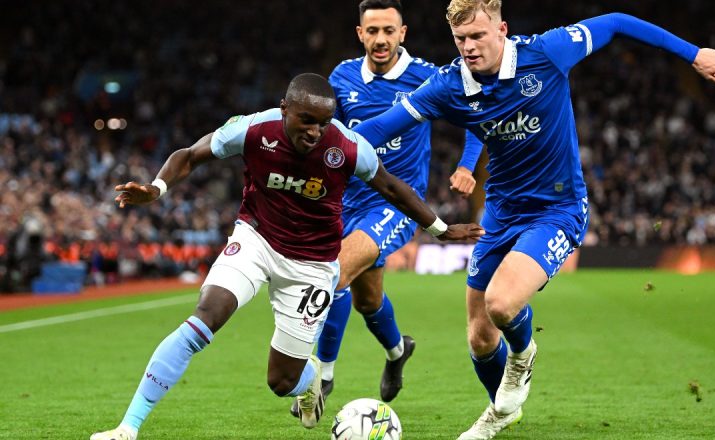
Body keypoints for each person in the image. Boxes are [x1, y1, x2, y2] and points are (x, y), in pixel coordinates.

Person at [351, 1, 715, 438]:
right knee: (479, 336)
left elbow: (616, 22)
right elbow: (378, 129)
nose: (469, 47)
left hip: (557, 208)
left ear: (502, 30)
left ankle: (523, 354)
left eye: (478, 36)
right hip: (500, 212)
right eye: (460, 39)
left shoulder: (548, 52)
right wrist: (322, 146)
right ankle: (502, 411)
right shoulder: (448, 85)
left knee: (501, 304)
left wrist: (694, 54)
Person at [90, 73, 484, 440]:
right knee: (205, 316)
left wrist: (441, 230)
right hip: (256, 240)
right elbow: (190, 155)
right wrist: (156, 188)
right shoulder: (253, 129)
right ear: (284, 109)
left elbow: (392, 188)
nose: (315, 132)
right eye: (306, 121)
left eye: (323, 123)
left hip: (313, 266)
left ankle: (308, 380)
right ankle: (128, 427)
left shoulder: (348, 147)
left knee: (281, 382)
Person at [290, 0, 485, 418]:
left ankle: (322, 377)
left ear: (403, 33)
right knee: (367, 300)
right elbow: (329, 137)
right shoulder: (342, 77)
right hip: (346, 202)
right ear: (360, 34)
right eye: (373, 31)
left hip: (396, 203)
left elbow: (474, 116)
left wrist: (467, 166)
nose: (381, 39)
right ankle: (398, 351)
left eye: (389, 30)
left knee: (335, 273)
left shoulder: (427, 76)